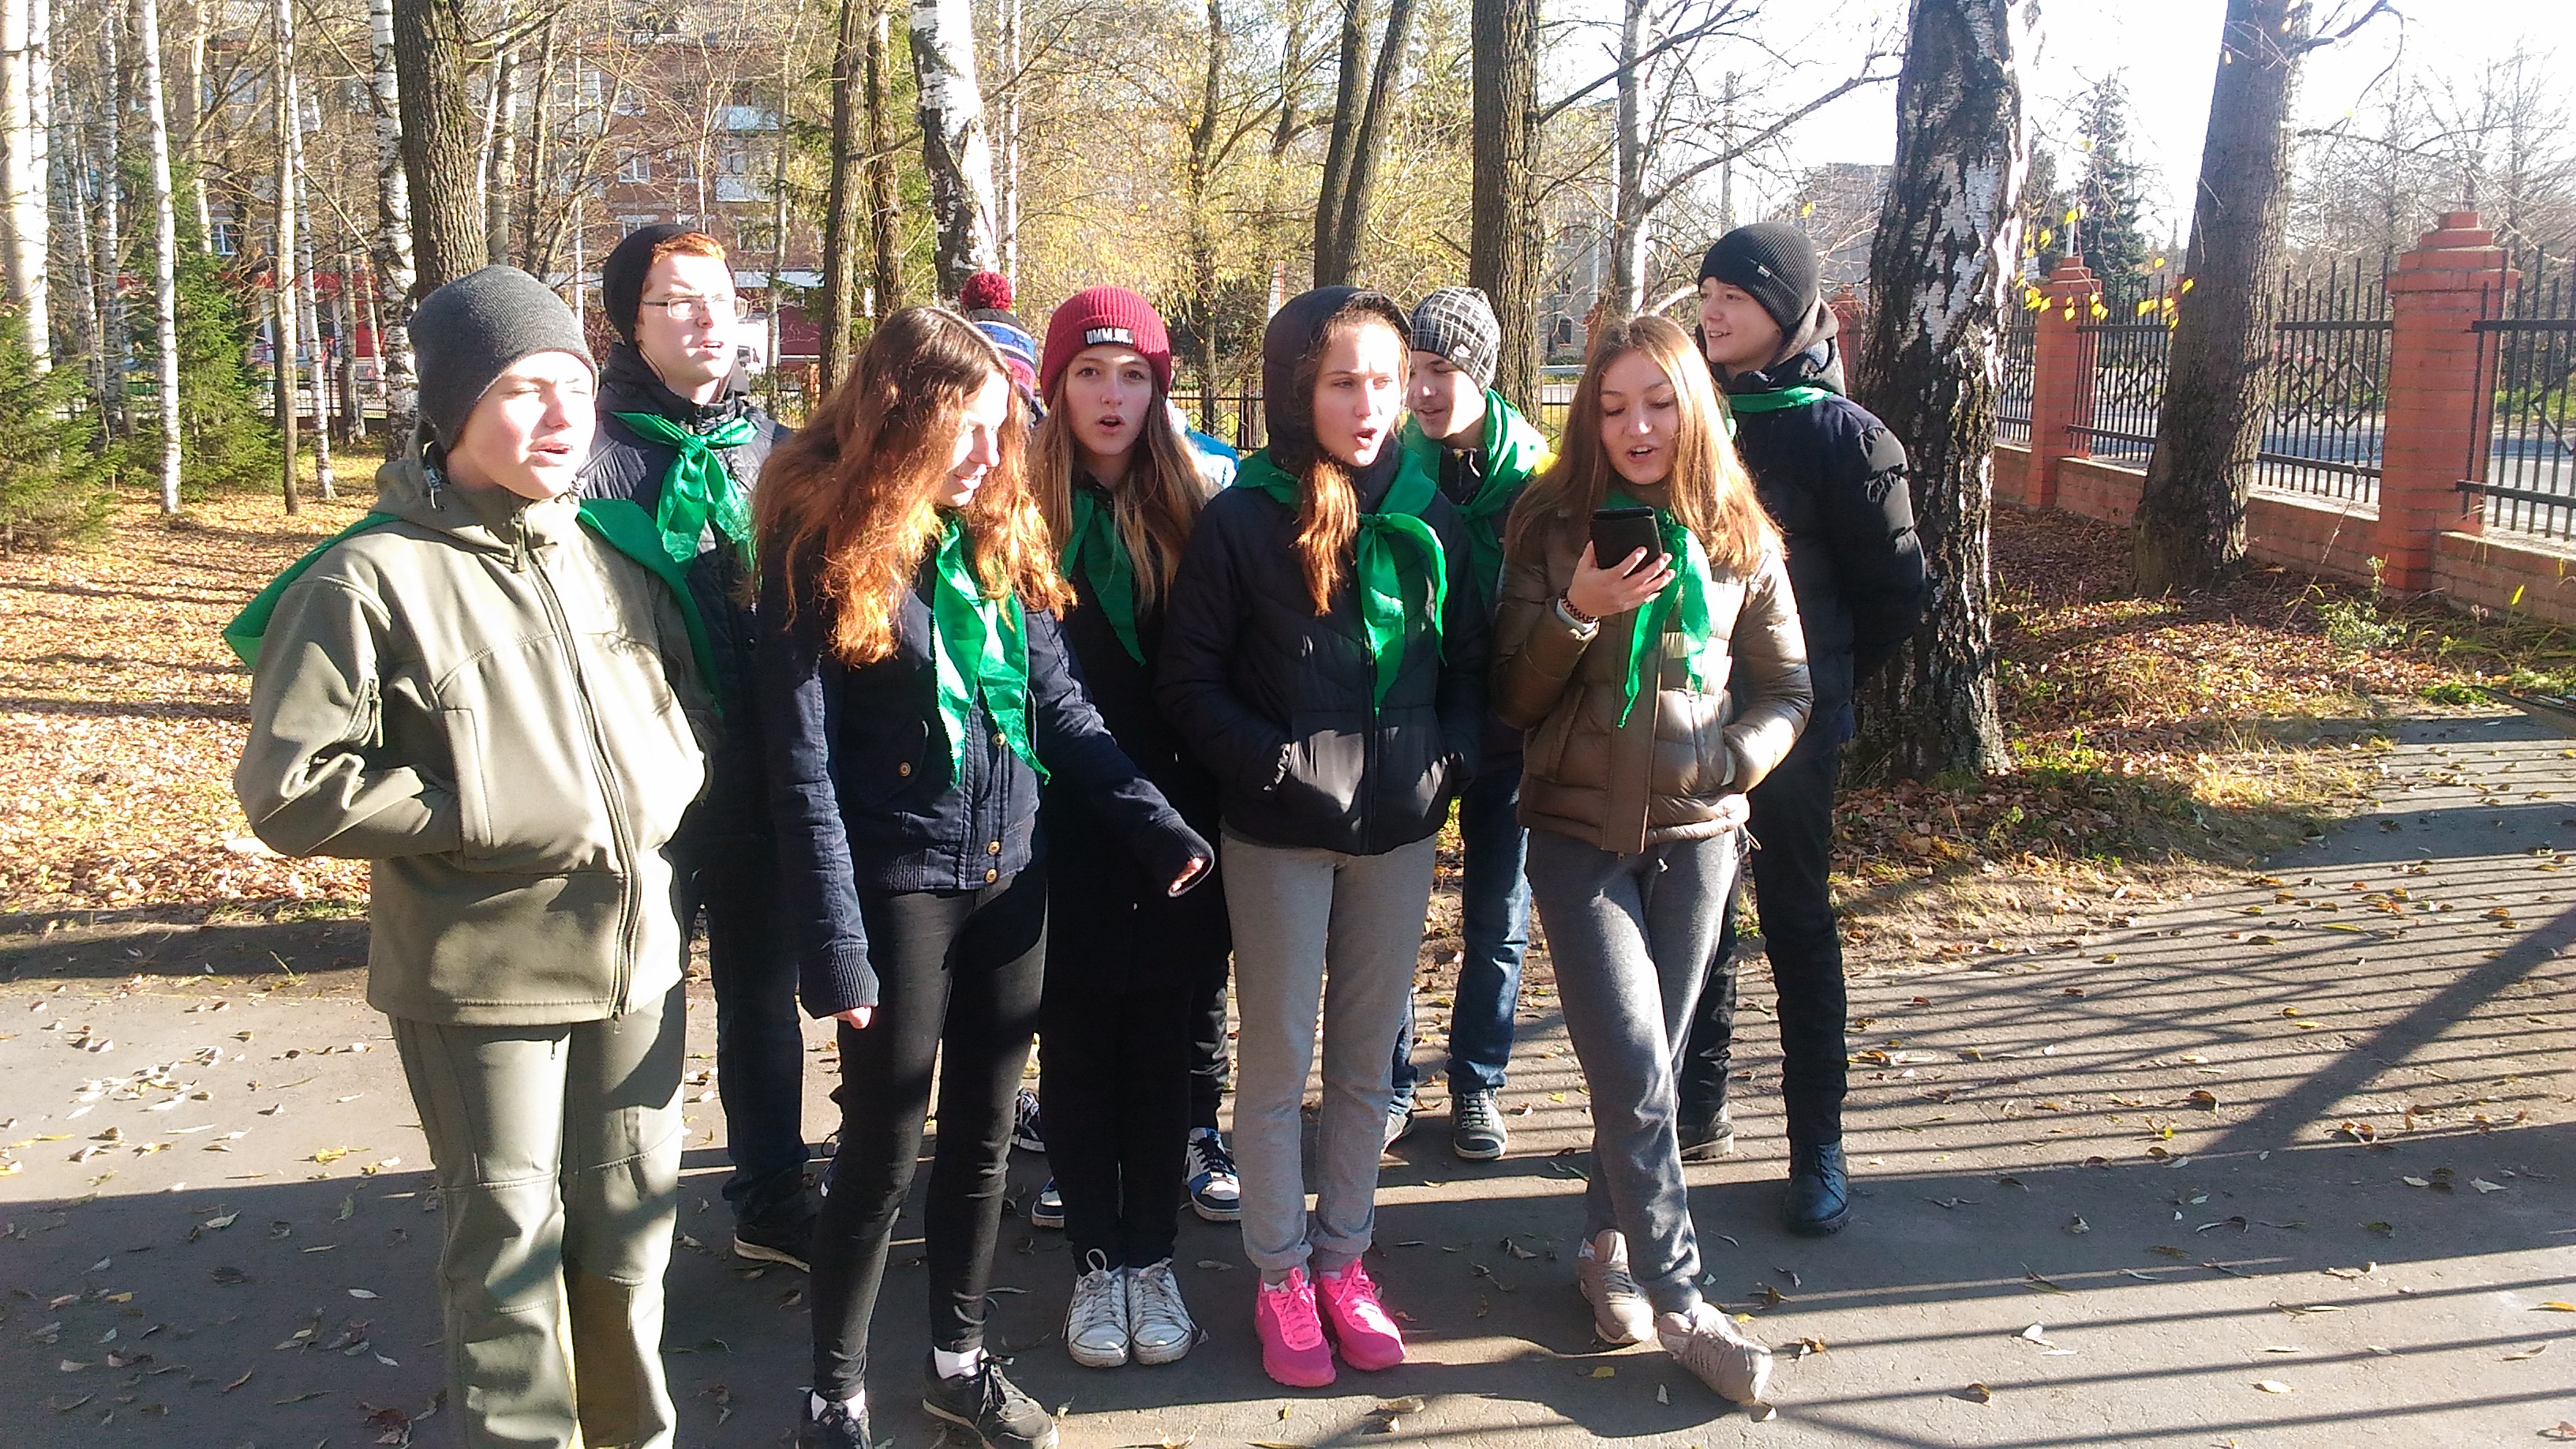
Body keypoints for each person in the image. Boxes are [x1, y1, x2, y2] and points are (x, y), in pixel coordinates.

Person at [230, 266, 712, 1449]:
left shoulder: (607, 553)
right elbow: (290, 790)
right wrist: (481, 808)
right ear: (453, 411)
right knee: (507, 1251)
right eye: (519, 389)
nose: (559, 416)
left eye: (574, 386)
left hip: (637, 963)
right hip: (482, 976)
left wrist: (666, 773)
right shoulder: (371, 577)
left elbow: (675, 707)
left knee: (631, 1232)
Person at [758, 305, 1212, 1449]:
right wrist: (837, 944)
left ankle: (956, 1365)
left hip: (1013, 883)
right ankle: (834, 1395)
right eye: (962, 429)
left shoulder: (1000, 535)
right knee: (883, 1152)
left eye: (998, 427)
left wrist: (1156, 824)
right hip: (900, 889)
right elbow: (802, 772)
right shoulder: (820, 550)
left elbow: (1060, 707)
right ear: (899, 422)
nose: (985, 453)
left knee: (985, 1141)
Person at [1159, 286, 1489, 1389]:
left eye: (1384, 382)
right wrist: (1276, 764)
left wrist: (1443, 764)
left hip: (1399, 835)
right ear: (1300, 390)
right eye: (1343, 382)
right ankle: (1280, 1274)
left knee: (1364, 1063)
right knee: (1277, 1063)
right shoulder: (1244, 518)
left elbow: (1475, 673)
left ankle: (1345, 1261)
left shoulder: (1435, 518)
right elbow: (1190, 681)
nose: (1368, 404)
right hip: (1278, 835)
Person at [1490, 311, 1810, 1406]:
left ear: (1695, 409)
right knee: (1632, 1065)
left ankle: (1606, 1249)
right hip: (1576, 838)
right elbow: (1511, 697)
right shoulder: (1547, 526)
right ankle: (1686, 1304)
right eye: (1614, 406)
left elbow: (1788, 689)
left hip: (1699, 840)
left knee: (1652, 1076)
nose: (1637, 427)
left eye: (1659, 404)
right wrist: (1576, 612)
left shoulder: (1739, 535)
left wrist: (1731, 761)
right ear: (1589, 416)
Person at [1676, 222, 1928, 1236]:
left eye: (1732, 296)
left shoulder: (1847, 439)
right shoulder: (1690, 417)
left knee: (1795, 918)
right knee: (1696, 916)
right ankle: (1696, 1105)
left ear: (1783, 309)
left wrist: (1815, 693)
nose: (1711, 311)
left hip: (1794, 732)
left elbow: (1897, 595)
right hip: (1690, 717)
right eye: (1705, 293)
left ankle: (1817, 1140)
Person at [583, 224, 814, 1269]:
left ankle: (772, 1202)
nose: (708, 318)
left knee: (765, 1006)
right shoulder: (589, 460)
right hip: (642, 791)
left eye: (722, 297)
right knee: (637, 1011)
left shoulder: (781, 454)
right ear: (627, 324)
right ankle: (618, 1222)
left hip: (764, 781)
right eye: (676, 300)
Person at [1026, 286, 1232, 1371]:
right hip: (1060, 824)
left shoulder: (1197, 508)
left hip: (1178, 828)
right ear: (1056, 386)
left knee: (1162, 1051)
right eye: (1091, 374)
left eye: (1135, 376)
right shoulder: (1016, 513)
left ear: (1160, 391)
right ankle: (1097, 1264)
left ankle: (1152, 1256)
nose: (1112, 397)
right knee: (1077, 1050)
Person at [1384, 285, 1554, 1161]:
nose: (1420, 391)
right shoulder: (1395, 469)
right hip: (1415, 718)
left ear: (1480, 373)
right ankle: (1389, 1081)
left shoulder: (1540, 479)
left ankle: (1478, 1082)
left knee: (1498, 911)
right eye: (1412, 370)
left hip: (1511, 724)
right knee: (1392, 908)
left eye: (1441, 370)